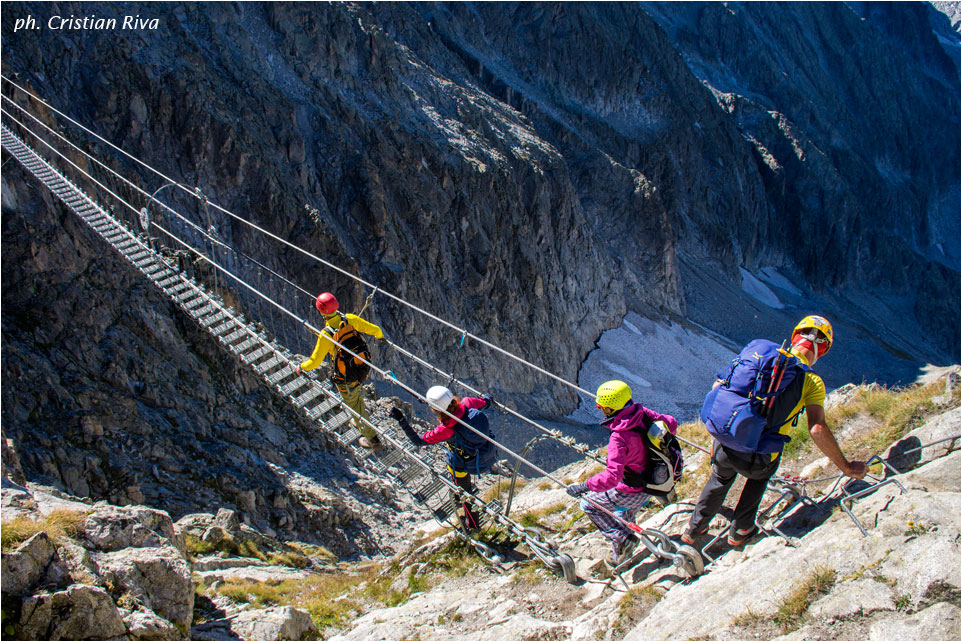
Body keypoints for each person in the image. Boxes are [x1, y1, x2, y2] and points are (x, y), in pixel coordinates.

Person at [683, 315, 868, 547]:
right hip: (759, 456)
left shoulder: (759, 354)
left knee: (719, 478)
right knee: (759, 478)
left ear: (794, 337)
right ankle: (740, 530)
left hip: (725, 441)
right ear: (824, 350)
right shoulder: (812, 382)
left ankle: (694, 528)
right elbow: (817, 428)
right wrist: (846, 467)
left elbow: (718, 386)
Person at [566, 380, 679, 568]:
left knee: (588, 504)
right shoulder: (642, 414)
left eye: (602, 407)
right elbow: (671, 423)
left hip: (633, 490)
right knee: (625, 516)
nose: (601, 410)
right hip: (654, 483)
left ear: (609, 409)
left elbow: (612, 477)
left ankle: (623, 539)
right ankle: (620, 556)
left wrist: (584, 486)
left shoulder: (619, 438)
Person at [390, 386, 496, 531]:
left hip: (461, 465)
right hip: (487, 451)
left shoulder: (445, 430)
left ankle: (473, 525)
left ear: (435, 409)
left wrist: (402, 420)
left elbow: (418, 440)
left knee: (465, 494)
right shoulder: (468, 403)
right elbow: (486, 401)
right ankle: (466, 507)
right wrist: (486, 396)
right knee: (465, 491)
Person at [294, 292, 384, 449]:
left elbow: (315, 362)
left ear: (322, 312)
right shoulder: (350, 319)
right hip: (361, 368)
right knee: (356, 398)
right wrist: (380, 337)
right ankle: (359, 420)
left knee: (354, 405)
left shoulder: (326, 335)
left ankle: (373, 440)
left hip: (345, 378)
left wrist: (301, 367)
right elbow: (375, 329)